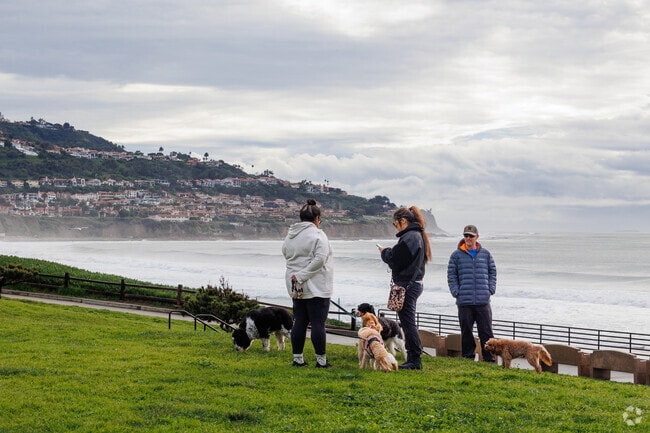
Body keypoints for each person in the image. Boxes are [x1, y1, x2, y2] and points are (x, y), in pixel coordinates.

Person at [282, 199, 334, 368]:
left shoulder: (290, 235)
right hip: (316, 285)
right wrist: (303, 275)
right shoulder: (318, 235)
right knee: (318, 323)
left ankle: (298, 359)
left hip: (295, 284)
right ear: (317, 218)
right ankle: (321, 361)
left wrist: (297, 275)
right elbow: (320, 259)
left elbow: (286, 254)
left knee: (300, 321)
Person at [378, 206, 431, 370]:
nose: (396, 228)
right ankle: (414, 357)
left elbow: (397, 258)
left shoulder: (410, 237)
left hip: (408, 285)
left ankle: (415, 359)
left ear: (403, 221)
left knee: (408, 323)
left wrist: (385, 252)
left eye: (395, 224)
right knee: (408, 322)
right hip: (413, 284)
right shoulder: (416, 235)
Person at [447, 224, 497, 362]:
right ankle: (468, 358)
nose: (468, 238)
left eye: (471, 236)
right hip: (464, 301)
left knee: (486, 331)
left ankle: (489, 358)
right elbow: (451, 275)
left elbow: (492, 271)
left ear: (477, 237)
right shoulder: (456, 255)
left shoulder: (485, 254)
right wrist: (456, 292)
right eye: (466, 235)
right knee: (466, 332)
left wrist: (490, 289)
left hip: (483, 301)